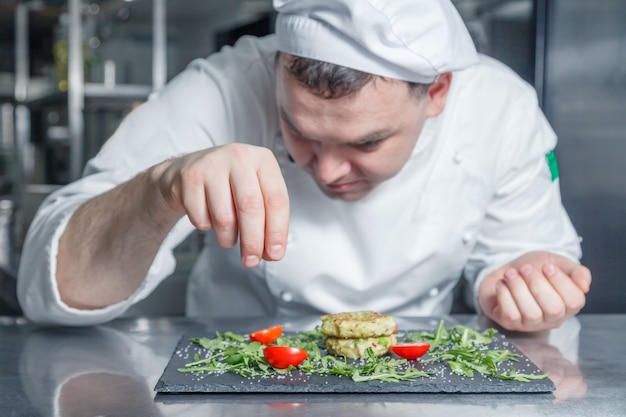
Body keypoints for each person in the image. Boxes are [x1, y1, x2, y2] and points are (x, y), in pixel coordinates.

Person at [17, 0, 591, 331]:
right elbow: (49, 290)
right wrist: (158, 189)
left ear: (436, 91)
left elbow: (528, 257)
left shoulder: (499, 107)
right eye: (300, 133)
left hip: (417, 382)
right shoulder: (219, 88)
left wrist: (525, 285)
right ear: (277, 70)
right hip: (233, 378)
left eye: (367, 143)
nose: (328, 170)